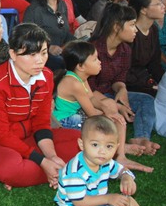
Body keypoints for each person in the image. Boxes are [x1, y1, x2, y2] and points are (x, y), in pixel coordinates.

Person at [0, 23, 81, 189]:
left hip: (29, 135)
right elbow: (0, 133)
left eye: (43, 53)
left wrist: (51, 156)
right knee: (10, 169)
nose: (40, 60)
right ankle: (58, 170)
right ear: (13, 54)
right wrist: (41, 161)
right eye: (32, 54)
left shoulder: (46, 77)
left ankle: (49, 168)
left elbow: (42, 122)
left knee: (83, 142)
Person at [55, 116, 166, 206]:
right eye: (95, 145)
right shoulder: (76, 171)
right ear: (82, 144)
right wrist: (108, 198)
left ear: (117, 147)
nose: (102, 151)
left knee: (128, 201)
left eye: (109, 146)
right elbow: (79, 201)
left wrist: (126, 177)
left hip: (96, 200)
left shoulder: (105, 161)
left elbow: (121, 170)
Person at [54, 41, 152, 172]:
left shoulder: (80, 78)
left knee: (111, 109)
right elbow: (92, 114)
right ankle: (120, 153)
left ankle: (120, 150)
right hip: (66, 121)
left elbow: (92, 98)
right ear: (81, 66)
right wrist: (110, 115)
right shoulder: (74, 83)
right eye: (95, 59)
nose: (99, 62)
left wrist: (108, 108)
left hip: (74, 115)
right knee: (112, 120)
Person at [89, 3, 159, 156]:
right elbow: (87, 88)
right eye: (132, 25)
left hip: (110, 93)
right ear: (116, 26)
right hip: (91, 97)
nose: (135, 30)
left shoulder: (125, 50)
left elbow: (119, 78)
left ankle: (141, 137)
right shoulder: (93, 49)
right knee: (111, 111)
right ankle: (118, 145)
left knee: (146, 100)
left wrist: (122, 89)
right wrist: (116, 105)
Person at [24, 0, 74, 70]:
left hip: (61, 52)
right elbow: (27, 39)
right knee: (60, 62)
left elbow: (65, 33)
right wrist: (48, 47)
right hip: (41, 56)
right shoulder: (35, 10)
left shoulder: (62, 6)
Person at [127, 0, 165, 97]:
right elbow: (125, 71)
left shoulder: (153, 29)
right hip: (130, 86)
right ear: (143, 9)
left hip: (146, 82)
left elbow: (155, 64)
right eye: (158, 3)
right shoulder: (130, 33)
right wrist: (148, 84)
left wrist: (164, 83)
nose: (163, 6)